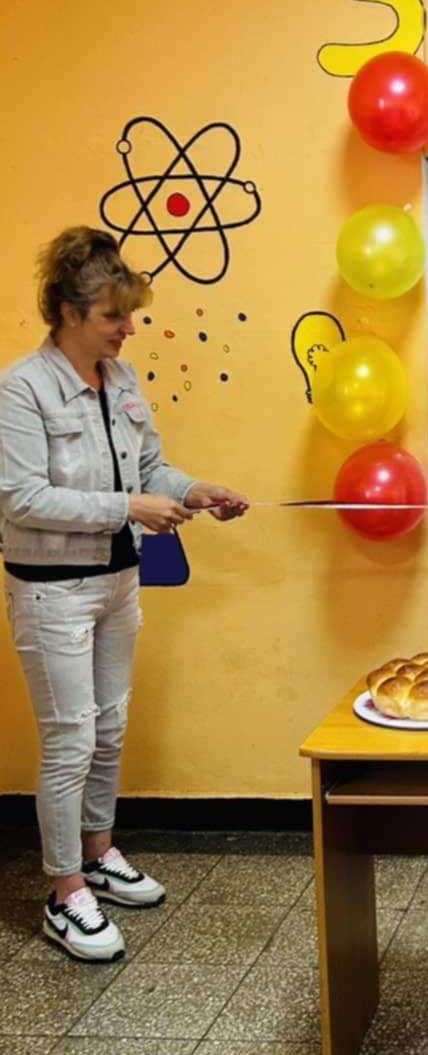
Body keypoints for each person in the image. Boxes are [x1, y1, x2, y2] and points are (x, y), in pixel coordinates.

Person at [0, 227, 249, 964]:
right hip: (52, 593)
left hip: (117, 581)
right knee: (70, 739)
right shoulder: (23, 389)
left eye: (130, 314)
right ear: (70, 313)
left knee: (109, 727)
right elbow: (20, 499)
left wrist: (194, 491)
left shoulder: (124, 379)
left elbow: (150, 469)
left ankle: (100, 853)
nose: (128, 328)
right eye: (115, 315)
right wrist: (129, 507)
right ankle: (64, 890)